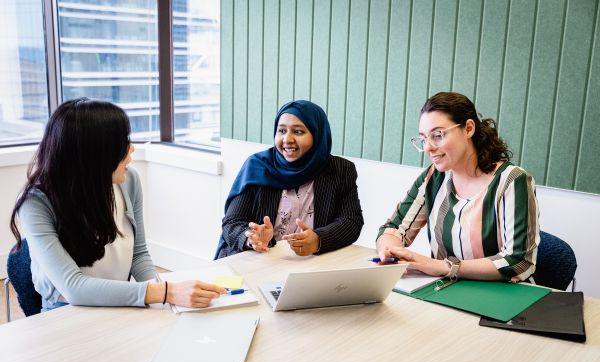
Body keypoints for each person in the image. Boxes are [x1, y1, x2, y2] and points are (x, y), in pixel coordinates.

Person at [10, 98, 226, 311]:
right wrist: (166, 292)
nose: (131, 148)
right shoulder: (35, 203)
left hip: (120, 303)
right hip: (65, 311)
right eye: (122, 142)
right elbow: (73, 287)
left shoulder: (129, 181)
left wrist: (165, 300)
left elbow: (139, 254)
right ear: (94, 154)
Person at [376, 92, 539, 282]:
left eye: (438, 135)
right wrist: (389, 252)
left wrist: (443, 267)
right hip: (443, 290)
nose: (428, 147)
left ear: (469, 128)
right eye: (423, 138)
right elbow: (393, 228)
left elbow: (519, 261)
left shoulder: (512, 180)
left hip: (501, 297)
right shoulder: (434, 177)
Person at [216, 100, 364, 259]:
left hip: (310, 264)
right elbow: (232, 223)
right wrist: (251, 238)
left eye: (298, 132)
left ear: (318, 134)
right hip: (257, 261)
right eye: (281, 131)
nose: (287, 139)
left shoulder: (340, 170)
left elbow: (351, 221)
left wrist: (318, 239)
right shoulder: (257, 166)